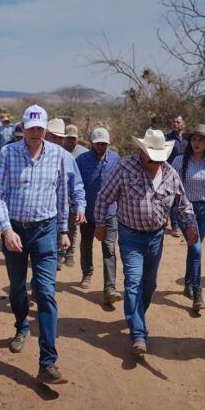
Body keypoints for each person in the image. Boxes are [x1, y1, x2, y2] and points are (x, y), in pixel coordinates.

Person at [94, 128, 198, 356]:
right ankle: (138, 334)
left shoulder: (170, 173)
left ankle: (137, 313)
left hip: (156, 238)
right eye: (151, 156)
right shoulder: (125, 168)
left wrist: (190, 225)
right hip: (130, 236)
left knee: (149, 284)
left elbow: (183, 204)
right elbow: (104, 197)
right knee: (133, 282)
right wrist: (100, 224)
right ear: (142, 152)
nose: (155, 162)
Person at [0, 104, 71, 385]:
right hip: (15, 231)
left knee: (47, 293)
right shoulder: (8, 154)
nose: (36, 132)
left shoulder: (59, 155)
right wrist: (6, 229)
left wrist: (63, 230)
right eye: (31, 127)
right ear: (23, 128)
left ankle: (48, 361)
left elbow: (62, 194)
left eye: (40, 128)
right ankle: (22, 325)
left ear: (46, 129)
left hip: (46, 230)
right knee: (17, 287)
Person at [171, 124, 205, 312]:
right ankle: (197, 292)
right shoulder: (178, 161)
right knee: (197, 248)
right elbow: (171, 186)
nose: (196, 143)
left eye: (200, 140)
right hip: (185, 210)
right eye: (193, 139)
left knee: (194, 248)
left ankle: (187, 283)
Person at [75, 127, 123, 306]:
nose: (101, 146)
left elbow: (121, 184)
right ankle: (87, 273)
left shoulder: (116, 160)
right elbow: (76, 185)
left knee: (109, 249)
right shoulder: (81, 161)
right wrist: (76, 208)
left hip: (110, 213)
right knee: (86, 245)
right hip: (88, 213)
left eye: (104, 144)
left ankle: (109, 288)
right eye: (98, 143)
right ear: (91, 143)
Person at [46, 118, 86, 270]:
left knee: (66, 235)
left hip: (63, 209)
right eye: (53, 137)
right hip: (39, 218)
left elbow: (77, 185)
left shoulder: (68, 158)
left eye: (59, 138)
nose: (56, 141)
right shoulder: (33, 156)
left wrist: (81, 207)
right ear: (45, 135)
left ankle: (61, 257)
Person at [165, 113, 187, 237]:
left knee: (184, 199)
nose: (175, 124)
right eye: (173, 122)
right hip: (170, 174)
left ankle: (184, 223)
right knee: (173, 199)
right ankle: (175, 226)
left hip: (186, 173)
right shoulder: (167, 139)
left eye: (178, 122)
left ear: (183, 125)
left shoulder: (188, 140)